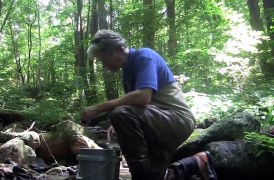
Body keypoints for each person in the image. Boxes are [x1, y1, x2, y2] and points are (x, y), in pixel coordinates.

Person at [81, 30, 217, 180]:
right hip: (159, 120)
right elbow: (135, 107)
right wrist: (116, 125)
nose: (105, 65)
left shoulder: (144, 56)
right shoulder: (127, 73)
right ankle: (197, 162)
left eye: (105, 59)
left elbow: (143, 97)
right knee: (155, 175)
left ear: (119, 49)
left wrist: (100, 108)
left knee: (121, 114)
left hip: (177, 119)